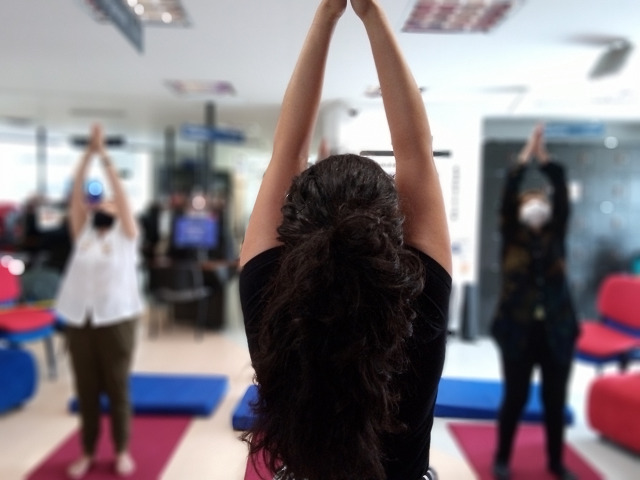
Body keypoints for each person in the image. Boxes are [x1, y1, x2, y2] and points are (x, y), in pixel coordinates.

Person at [238, 1, 451, 479]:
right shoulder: (423, 299)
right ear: (393, 229)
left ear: (290, 229)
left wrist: (325, 17)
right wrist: (370, 14)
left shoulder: (265, 295)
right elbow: (416, 153)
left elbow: (285, 153)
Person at [491, 125, 579, 480]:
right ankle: (501, 459)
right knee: (515, 398)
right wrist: (524, 157)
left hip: (557, 331)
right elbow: (508, 195)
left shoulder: (557, 235)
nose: (536, 209)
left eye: (540, 204)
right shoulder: (511, 237)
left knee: (555, 402)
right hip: (517, 332)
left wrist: (545, 160)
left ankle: (557, 461)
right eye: (529, 205)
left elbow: (560, 191)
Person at [55, 124, 143, 479]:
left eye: (111, 202)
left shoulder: (127, 235)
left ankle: (121, 450)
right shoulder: (84, 234)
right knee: (86, 390)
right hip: (80, 320)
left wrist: (105, 156)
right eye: (101, 201)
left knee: (117, 387)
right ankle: (87, 451)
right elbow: (75, 195)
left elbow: (119, 196)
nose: (106, 203)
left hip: (116, 318)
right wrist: (87, 155)